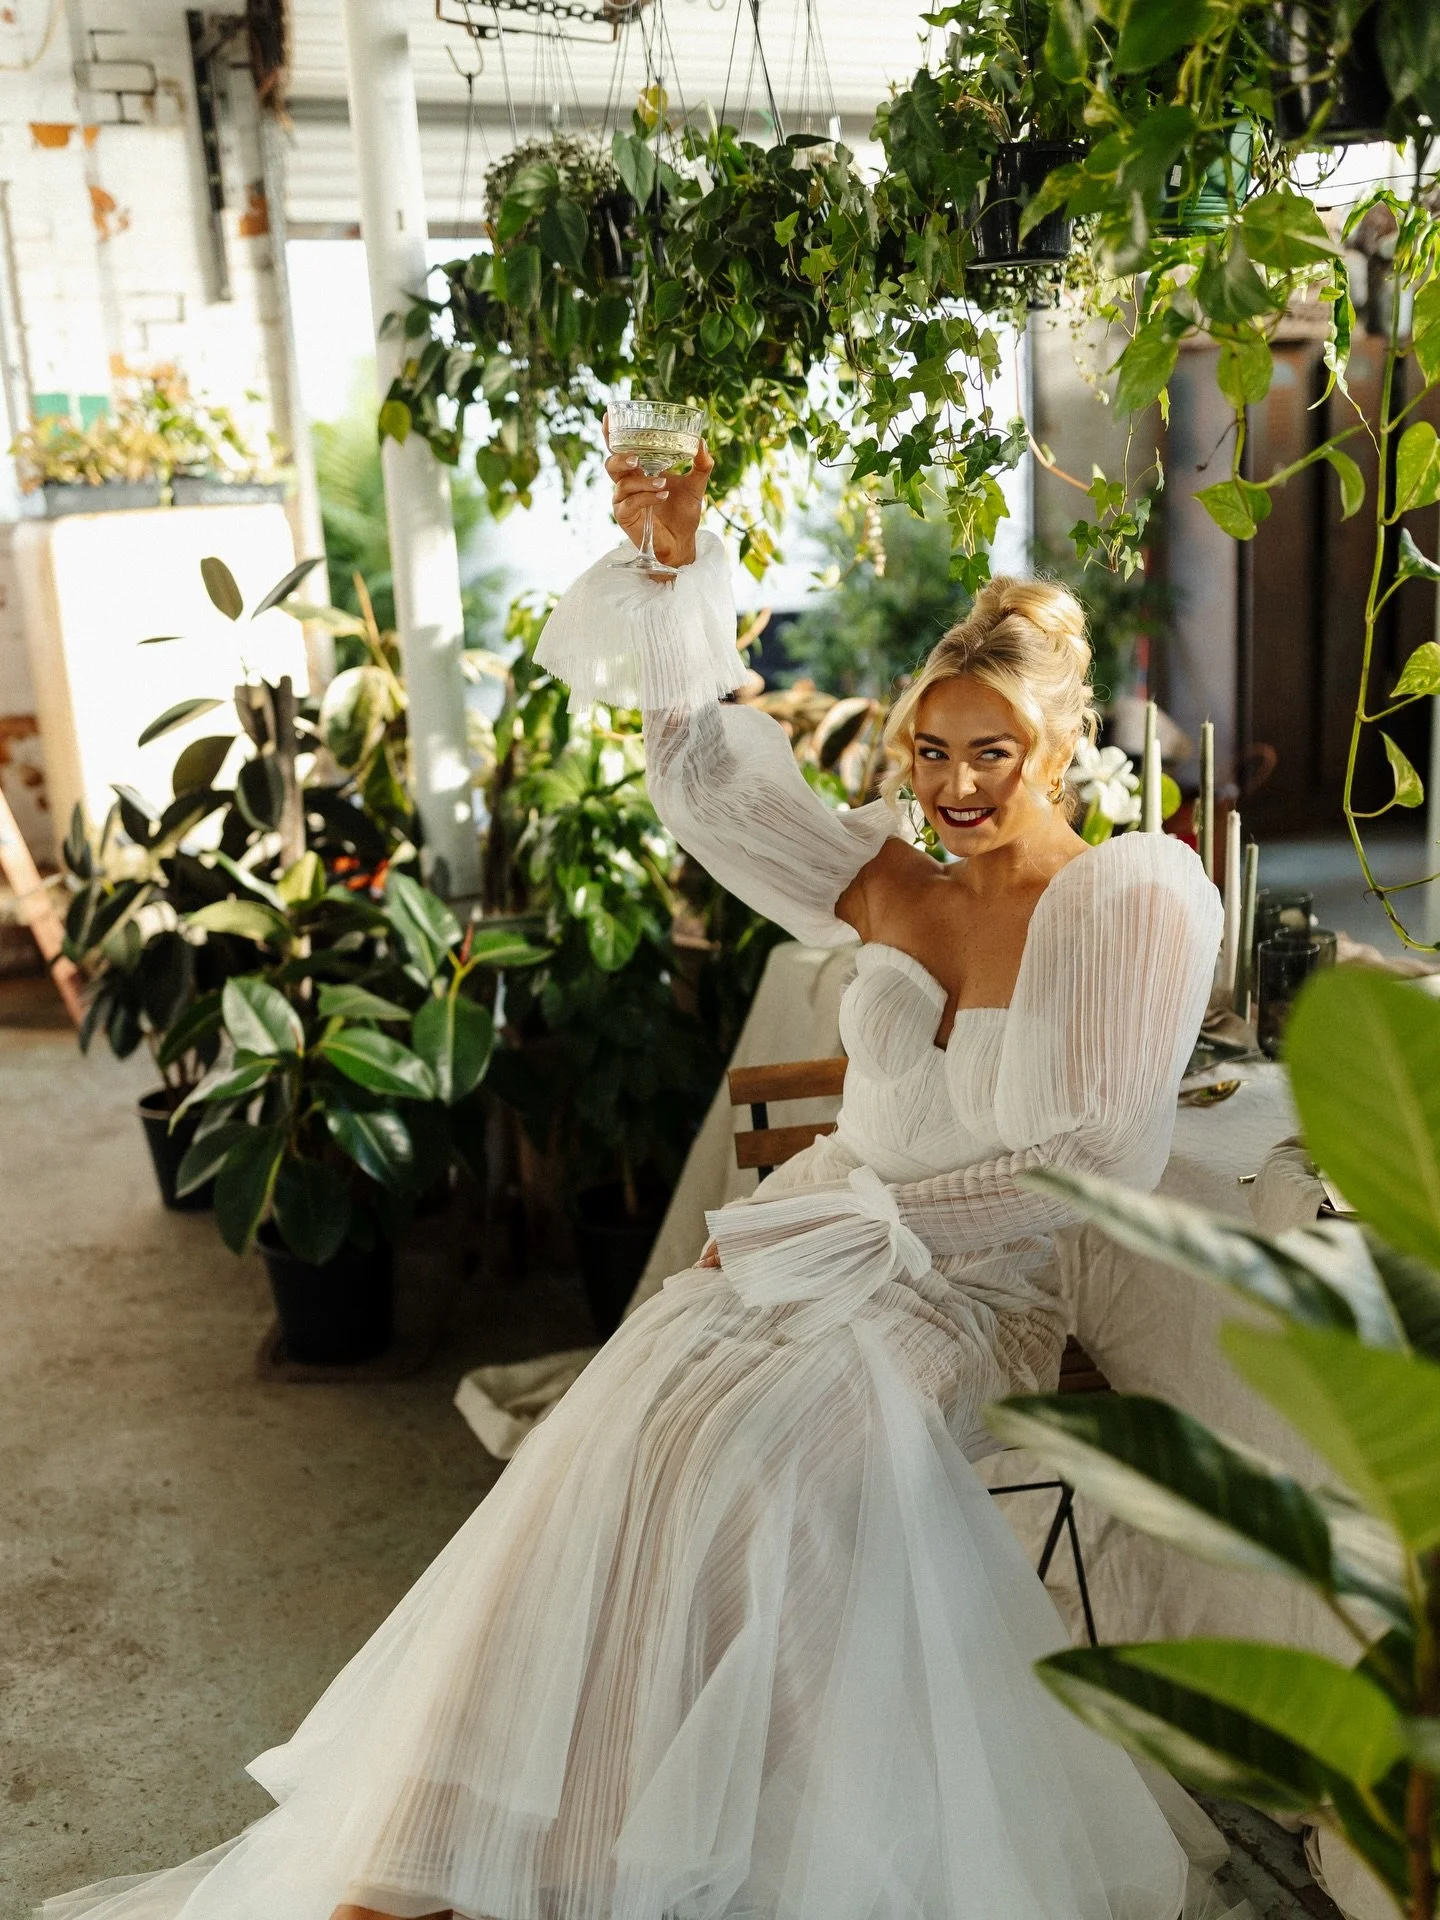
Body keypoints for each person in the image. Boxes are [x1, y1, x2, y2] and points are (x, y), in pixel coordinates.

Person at [44, 438, 1225, 1920]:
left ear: (1058, 745)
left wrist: (842, 1226)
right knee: (617, 1443)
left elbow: (1088, 1166)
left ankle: (647, 1855)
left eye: (993, 752)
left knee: (744, 1469)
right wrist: (673, 573)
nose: (957, 785)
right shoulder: (894, 882)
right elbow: (707, 788)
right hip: (811, 1249)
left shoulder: (1127, 897)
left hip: (970, 1293)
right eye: (932, 751)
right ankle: (466, 1841)